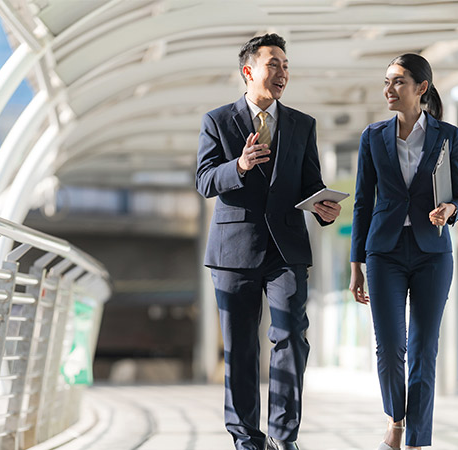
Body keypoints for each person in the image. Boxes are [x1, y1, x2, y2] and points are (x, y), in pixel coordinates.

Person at [196, 33, 341, 450]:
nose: (282, 72)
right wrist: (238, 165)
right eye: (273, 64)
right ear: (249, 71)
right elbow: (205, 181)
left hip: (287, 250)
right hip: (233, 252)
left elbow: (310, 183)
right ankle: (246, 438)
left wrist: (322, 206)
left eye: (286, 65)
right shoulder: (217, 121)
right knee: (241, 348)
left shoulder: (302, 124)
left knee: (292, 335)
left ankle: (283, 434)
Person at [348, 53, 458, 450]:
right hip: (383, 252)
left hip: (432, 252)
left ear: (421, 88)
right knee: (389, 345)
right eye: (387, 81)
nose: (389, 89)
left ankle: (417, 438)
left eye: (398, 81)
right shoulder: (372, 137)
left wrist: (452, 209)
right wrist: (356, 264)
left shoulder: (447, 135)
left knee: (423, 347)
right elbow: (362, 203)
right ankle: (395, 420)